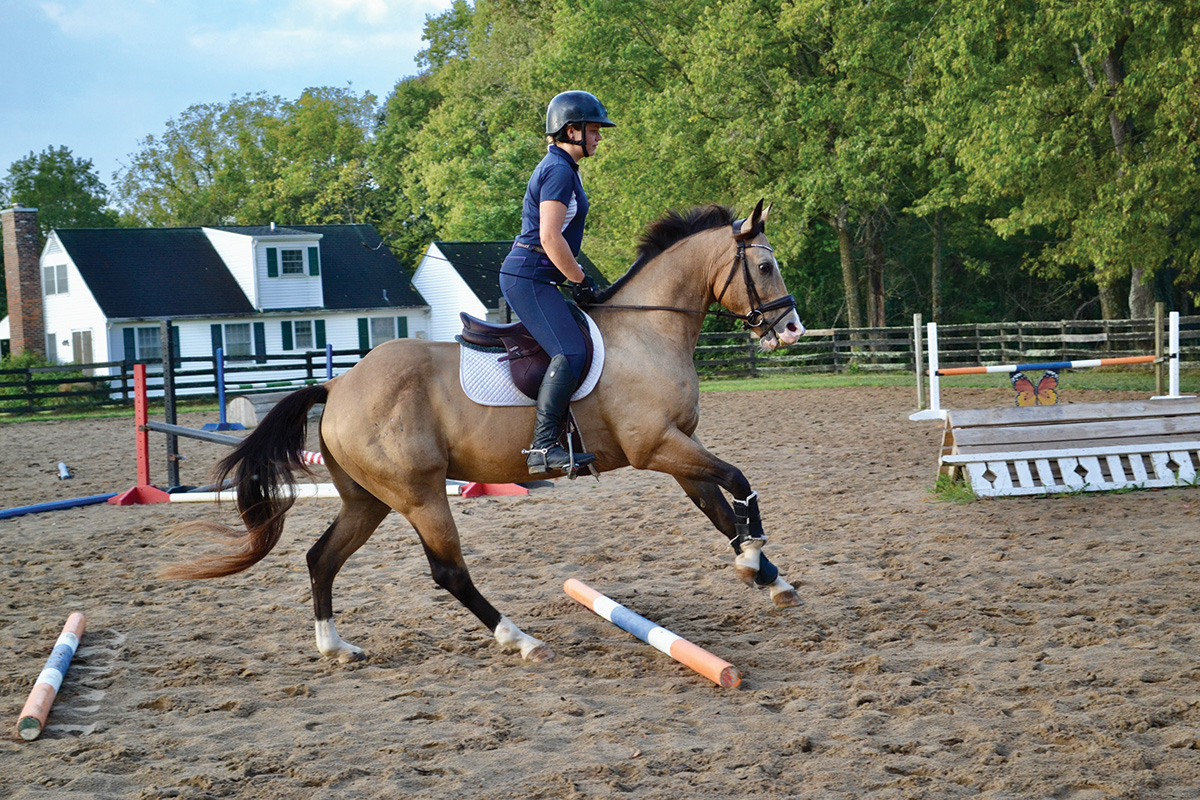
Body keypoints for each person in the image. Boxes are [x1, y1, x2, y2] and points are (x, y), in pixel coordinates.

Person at [499, 90, 615, 475]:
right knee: (572, 351)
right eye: (594, 130)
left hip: (539, 277)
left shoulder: (562, 168)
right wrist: (579, 278)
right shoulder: (559, 170)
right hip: (529, 277)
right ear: (571, 130)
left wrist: (577, 277)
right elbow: (550, 238)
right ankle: (544, 447)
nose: (599, 137)